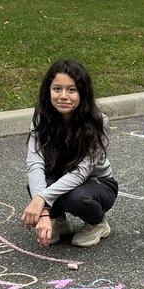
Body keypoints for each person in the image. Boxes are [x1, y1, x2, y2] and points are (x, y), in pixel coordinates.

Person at [20, 58, 118, 249]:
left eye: (71, 90)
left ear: (83, 93)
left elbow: (80, 173)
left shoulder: (98, 122)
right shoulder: (41, 118)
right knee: (35, 184)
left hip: (96, 184)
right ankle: (59, 221)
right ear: (48, 91)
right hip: (59, 177)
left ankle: (98, 223)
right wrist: (44, 213)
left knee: (75, 197)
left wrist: (41, 201)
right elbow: (35, 164)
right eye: (57, 89)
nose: (63, 96)